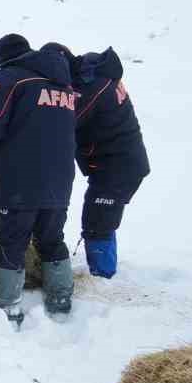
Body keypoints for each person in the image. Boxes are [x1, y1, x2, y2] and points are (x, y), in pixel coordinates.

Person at [0, 34, 77, 325]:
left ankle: (8, 307)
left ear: (2, 58)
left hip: (20, 178)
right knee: (52, 238)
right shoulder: (64, 84)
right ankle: (61, 299)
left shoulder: (10, 78)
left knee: (12, 242)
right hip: (60, 178)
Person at [72, 48, 150, 278]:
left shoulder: (97, 88)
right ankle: (104, 268)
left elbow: (69, 120)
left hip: (118, 166)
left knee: (98, 221)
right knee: (101, 215)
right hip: (118, 163)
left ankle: (102, 276)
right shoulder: (104, 80)